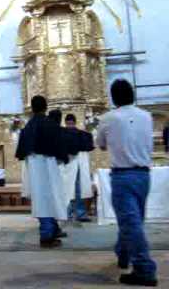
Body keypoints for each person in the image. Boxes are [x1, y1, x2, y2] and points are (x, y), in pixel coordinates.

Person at [97, 79, 157, 286]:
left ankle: (144, 269)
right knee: (133, 220)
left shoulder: (108, 118)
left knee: (130, 222)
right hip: (144, 176)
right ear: (133, 94)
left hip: (123, 176)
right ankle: (123, 253)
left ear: (113, 98)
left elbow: (101, 145)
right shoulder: (147, 116)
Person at [16, 97, 68, 247]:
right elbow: (59, 144)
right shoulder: (50, 124)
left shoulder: (28, 126)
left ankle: (49, 231)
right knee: (52, 196)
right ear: (45, 107)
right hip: (49, 163)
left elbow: (21, 150)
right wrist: (62, 158)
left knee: (40, 199)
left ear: (32, 108)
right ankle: (46, 236)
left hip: (33, 164)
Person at [65, 114, 94, 222]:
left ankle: (71, 213)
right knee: (75, 189)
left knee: (72, 189)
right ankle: (78, 213)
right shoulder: (84, 135)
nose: (70, 126)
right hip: (72, 165)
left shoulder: (64, 134)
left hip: (70, 165)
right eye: (69, 124)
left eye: (70, 123)